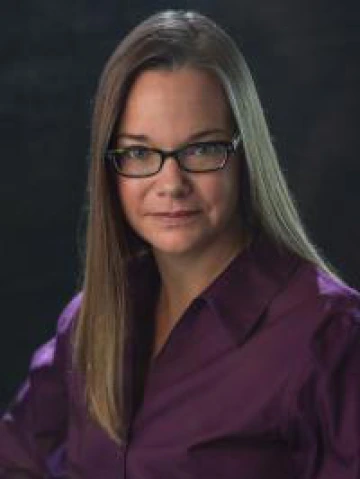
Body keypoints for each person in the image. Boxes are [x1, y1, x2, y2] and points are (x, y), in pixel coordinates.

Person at [1, 9, 360, 479]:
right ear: (110, 168)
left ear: (244, 154)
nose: (171, 183)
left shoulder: (331, 335)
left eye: (202, 148)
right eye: (139, 152)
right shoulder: (92, 322)